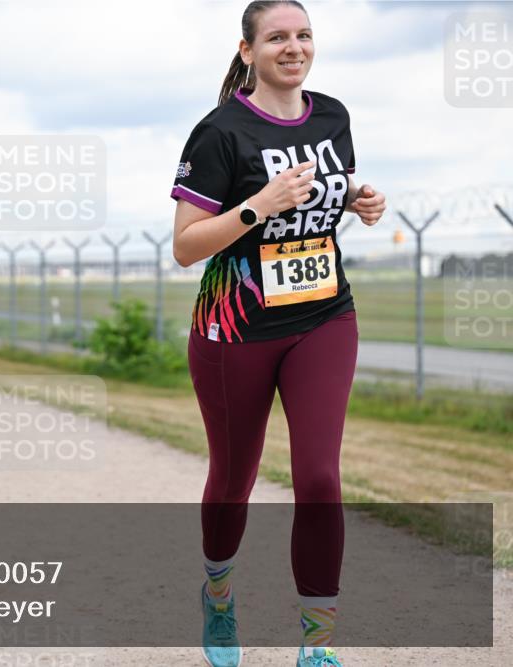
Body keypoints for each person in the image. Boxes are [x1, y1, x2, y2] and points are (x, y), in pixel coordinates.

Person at [169, 3, 386, 666]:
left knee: (319, 475)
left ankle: (317, 645)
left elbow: (318, 193)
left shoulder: (333, 116)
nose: (293, 48)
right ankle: (220, 597)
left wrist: (354, 199)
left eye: (303, 36)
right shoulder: (219, 132)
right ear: (247, 50)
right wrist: (258, 204)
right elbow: (185, 246)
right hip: (236, 327)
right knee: (234, 477)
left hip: (324, 314)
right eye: (277, 38)